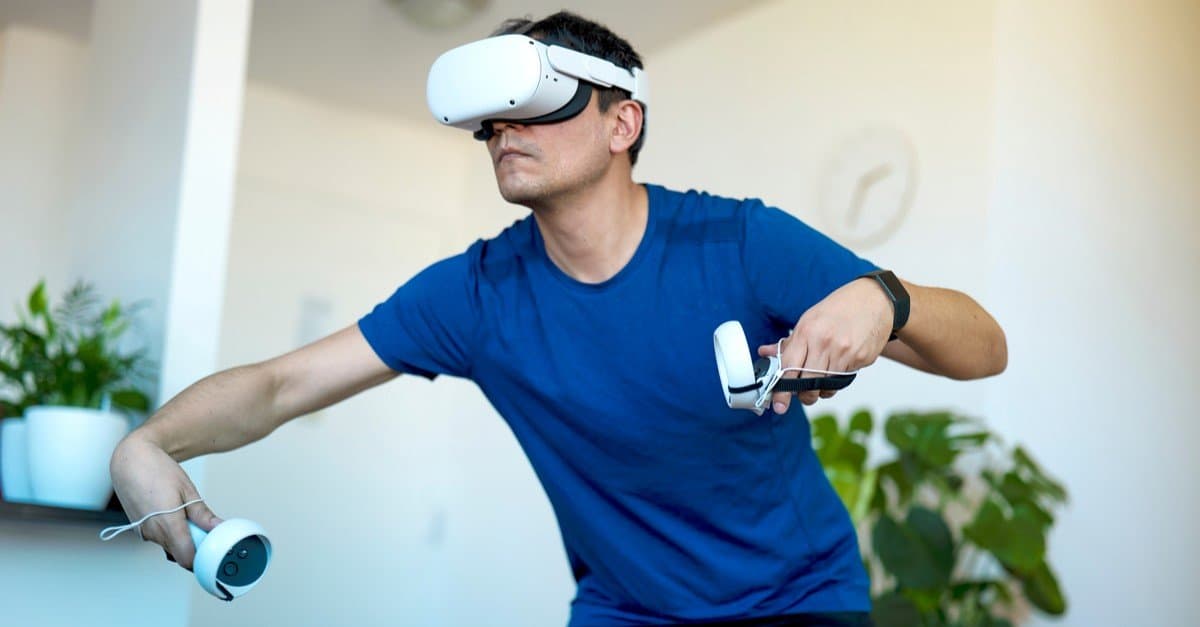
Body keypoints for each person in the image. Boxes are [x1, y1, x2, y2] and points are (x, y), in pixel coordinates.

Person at [109, 11, 1006, 627]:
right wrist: (145, 445)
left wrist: (884, 297)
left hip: (799, 600)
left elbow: (985, 348)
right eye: (491, 122)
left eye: (533, 105)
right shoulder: (476, 293)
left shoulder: (739, 241)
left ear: (623, 123)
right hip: (624, 608)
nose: (505, 130)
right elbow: (280, 384)